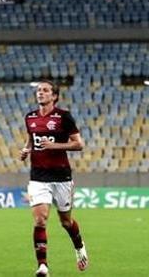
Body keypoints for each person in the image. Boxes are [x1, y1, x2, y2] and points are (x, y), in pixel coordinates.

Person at [20, 80, 88, 276]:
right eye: (38, 90)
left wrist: (55, 146)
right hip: (38, 177)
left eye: (45, 90)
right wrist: (26, 150)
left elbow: (79, 144)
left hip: (61, 177)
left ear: (54, 96)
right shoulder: (30, 117)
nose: (40, 93)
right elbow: (31, 139)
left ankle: (79, 246)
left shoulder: (64, 117)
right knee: (40, 220)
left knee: (66, 222)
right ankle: (43, 266)